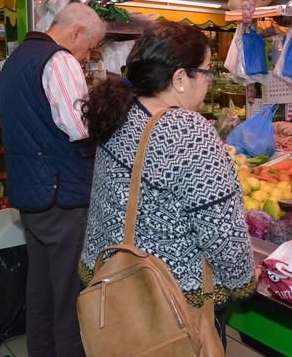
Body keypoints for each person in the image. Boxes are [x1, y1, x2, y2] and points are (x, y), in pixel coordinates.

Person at [80, 21, 256, 348]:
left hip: (112, 289)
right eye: (205, 72)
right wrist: (243, 281)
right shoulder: (188, 131)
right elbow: (223, 233)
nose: (208, 82)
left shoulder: (120, 112)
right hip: (171, 305)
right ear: (179, 79)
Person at [0, 2, 106, 357]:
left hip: (31, 194)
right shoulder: (59, 61)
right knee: (69, 295)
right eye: (89, 46)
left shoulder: (13, 61)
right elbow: (78, 127)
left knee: (40, 289)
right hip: (62, 195)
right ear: (76, 33)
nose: (87, 55)